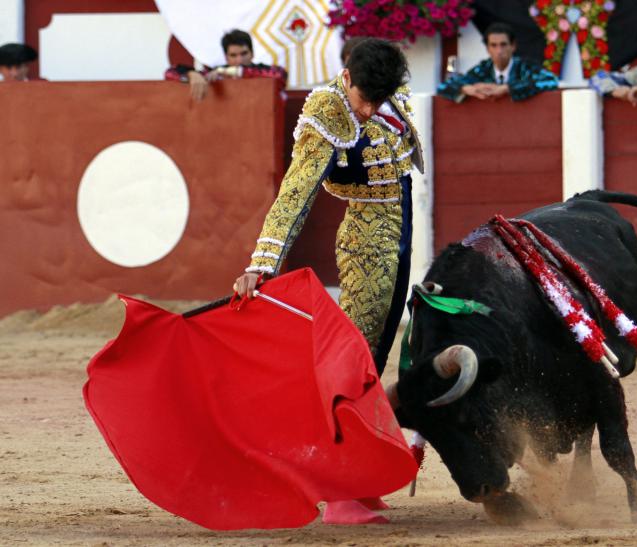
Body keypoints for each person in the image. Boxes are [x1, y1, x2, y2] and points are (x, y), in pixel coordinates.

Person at [232, 38, 422, 525]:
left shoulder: (384, 92)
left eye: (379, 100)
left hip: (399, 233)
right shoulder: (327, 110)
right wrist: (263, 262)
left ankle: (362, 479)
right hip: (366, 240)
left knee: (374, 357)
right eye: (365, 99)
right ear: (347, 77)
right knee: (354, 362)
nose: (370, 109)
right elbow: (295, 191)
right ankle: (339, 493)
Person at [437, 22, 559, 102]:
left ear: (513, 46)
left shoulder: (525, 67)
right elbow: (443, 86)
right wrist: (466, 88)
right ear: (487, 48)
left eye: (503, 45)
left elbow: (551, 81)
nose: (499, 51)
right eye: (494, 45)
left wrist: (507, 88)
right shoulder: (483, 69)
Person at [165, 29, 287, 101]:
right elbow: (169, 73)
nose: (239, 60)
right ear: (226, 57)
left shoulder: (264, 72)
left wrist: (231, 72)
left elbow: (280, 75)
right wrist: (191, 74)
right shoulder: (215, 73)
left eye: (244, 53)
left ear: (252, 53)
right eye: (233, 55)